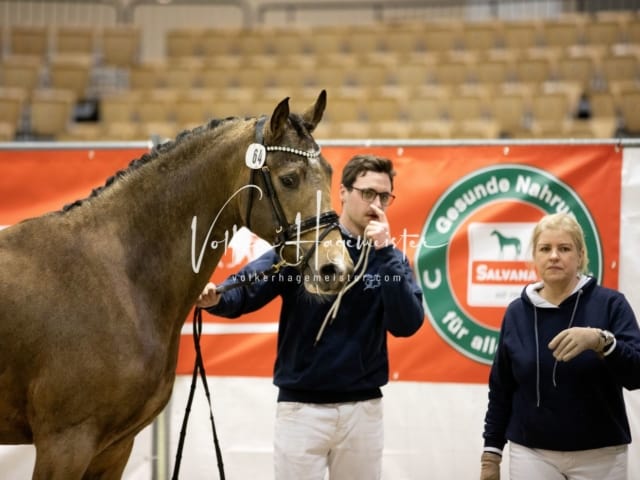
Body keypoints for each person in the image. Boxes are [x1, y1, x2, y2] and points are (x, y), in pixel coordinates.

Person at [197, 154, 424, 480]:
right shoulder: (307, 243)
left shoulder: (391, 259)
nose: (376, 204)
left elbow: (407, 324)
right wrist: (217, 298)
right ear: (344, 193)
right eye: (367, 193)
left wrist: (385, 251)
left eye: (384, 196)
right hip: (301, 411)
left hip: (362, 411)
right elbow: (250, 287)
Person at [480, 212, 640, 480]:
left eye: (564, 248)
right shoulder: (517, 312)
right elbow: (501, 388)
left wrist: (602, 341)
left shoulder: (611, 305)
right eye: (545, 248)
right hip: (531, 452)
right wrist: (491, 454)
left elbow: (636, 375)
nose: (554, 256)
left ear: (580, 255)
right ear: (535, 256)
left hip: (601, 453)